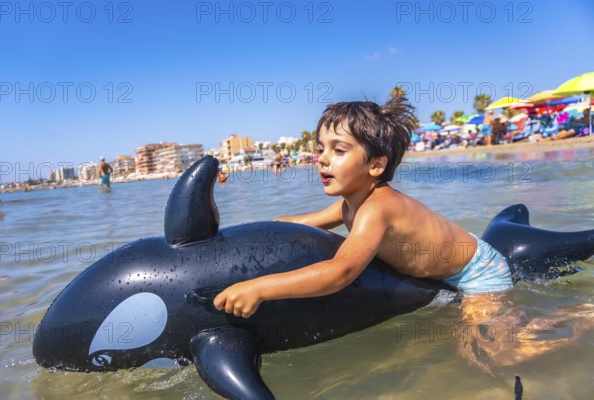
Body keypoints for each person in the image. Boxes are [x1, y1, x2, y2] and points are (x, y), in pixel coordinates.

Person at [212, 96, 592, 373]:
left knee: (493, 352)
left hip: (479, 274)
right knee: (473, 345)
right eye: (320, 149)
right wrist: (239, 237)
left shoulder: (378, 209)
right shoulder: (351, 203)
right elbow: (299, 223)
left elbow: (340, 272)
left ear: (376, 164)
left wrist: (261, 287)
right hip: (456, 265)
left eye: (338, 150)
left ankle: (581, 318)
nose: (322, 159)